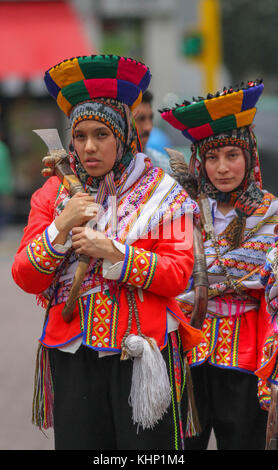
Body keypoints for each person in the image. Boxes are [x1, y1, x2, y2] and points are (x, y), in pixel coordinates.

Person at [11, 54, 202, 451]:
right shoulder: (53, 195)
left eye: (101, 134)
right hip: (73, 350)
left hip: (142, 352)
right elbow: (25, 276)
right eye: (79, 136)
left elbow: (178, 275)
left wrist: (113, 251)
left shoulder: (163, 194)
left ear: (124, 135)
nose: (89, 147)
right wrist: (60, 227)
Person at [160, 80, 278, 450]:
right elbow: (173, 271)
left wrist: (210, 276)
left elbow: (265, 282)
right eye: (212, 158)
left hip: (246, 359)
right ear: (199, 161)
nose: (222, 168)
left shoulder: (271, 214)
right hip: (188, 354)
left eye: (232, 155)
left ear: (250, 156)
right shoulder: (184, 212)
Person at [134, 90, 171, 173]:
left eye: (150, 118)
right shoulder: (105, 167)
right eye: (140, 119)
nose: (148, 127)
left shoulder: (164, 168)